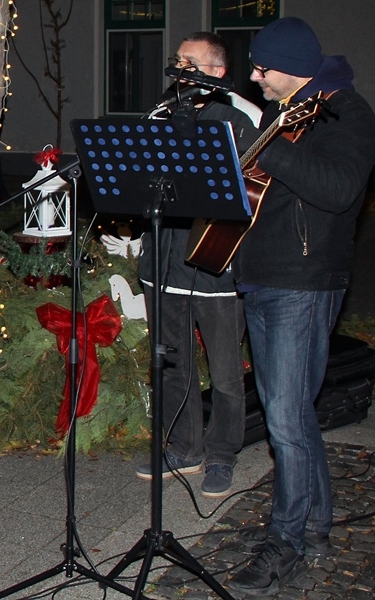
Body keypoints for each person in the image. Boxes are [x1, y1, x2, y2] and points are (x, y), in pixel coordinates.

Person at [224, 17, 375, 597]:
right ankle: (314, 526)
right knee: (290, 414)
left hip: (305, 281)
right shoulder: (285, 111)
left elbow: (338, 191)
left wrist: (269, 147)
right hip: (263, 275)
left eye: (264, 68)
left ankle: (284, 542)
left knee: (286, 419)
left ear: (294, 67)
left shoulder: (344, 113)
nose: (255, 77)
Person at [134, 32, 261, 499]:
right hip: (164, 263)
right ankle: (184, 447)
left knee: (226, 372)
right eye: (179, 60)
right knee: (172, 363)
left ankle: (222, 452)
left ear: (217, 72)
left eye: (192, 62)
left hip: (214, 264)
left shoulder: (242, 117)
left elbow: (254, 191)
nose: (181, 68)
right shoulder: (161, 113)